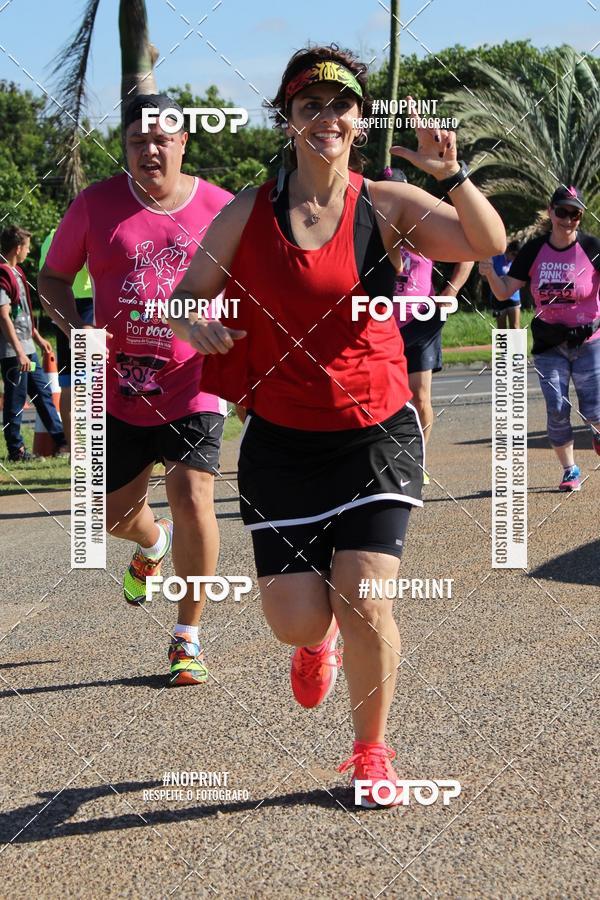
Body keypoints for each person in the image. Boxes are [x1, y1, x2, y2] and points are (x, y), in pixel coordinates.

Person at [167, 47, 505, 806]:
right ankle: (313, 643)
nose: (327, 117)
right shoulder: (248, 210)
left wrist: (451, 175)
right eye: (309, 105)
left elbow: (488, 243)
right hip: (282, 443)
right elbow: (186, 296)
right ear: (288, 120)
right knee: (296, 621)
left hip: (376, 433)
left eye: (341, 104)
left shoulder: (385, 204)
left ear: (359, 119)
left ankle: (371, 752)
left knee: (363, 596)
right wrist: (197, 326)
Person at [38, 93, 233, 685]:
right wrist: (78, 333)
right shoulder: (96, 205)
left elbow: (253, 287)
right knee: (111, 516)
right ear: (124, 147)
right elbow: (52, 277)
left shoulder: (222, 208)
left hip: (193, 381)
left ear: (183, 143)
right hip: (117, 389)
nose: (150, 150)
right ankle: (152, 545)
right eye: (137, 141)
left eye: (161, 139)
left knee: (193, 496)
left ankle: (187, 637)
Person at [480, 185, 600, 492]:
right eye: (562, 212)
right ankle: (570, 470)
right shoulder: (534, 250)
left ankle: (597, 432)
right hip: (549, 345)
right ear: (550, 211)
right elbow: (505, 292)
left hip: (589, 342)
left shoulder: (592, 247)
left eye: (575, 214)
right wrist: (491, 274)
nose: (568, 219)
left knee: (595, 411)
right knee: (557, 408)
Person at [377, 168, 473, 480]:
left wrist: (450, 292)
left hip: (421, 323)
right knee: (381, 399)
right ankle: (384, 461)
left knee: (419, 397)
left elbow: (469, 250)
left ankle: (416, 461)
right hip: (378, 325)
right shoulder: (368, 230)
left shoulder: (424, 229)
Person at [0, 225, 66, 461]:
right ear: (17, 248)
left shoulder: (17, 272)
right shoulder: (2, 275)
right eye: (27, 247)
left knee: (43, 393)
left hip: (29, 350)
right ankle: (16, 450)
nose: (28, 251)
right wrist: (19, 353)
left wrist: (37, 338)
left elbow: (24, 313)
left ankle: (62, 441)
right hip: (14, 353)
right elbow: (4, 316)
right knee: (15, 400)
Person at [39, 224, 94, 451]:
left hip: (61, 308)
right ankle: (89, 448)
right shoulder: (86, 231)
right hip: (87, 308)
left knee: (69, 384)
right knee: (90, 385)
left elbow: (45, 276)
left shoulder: (50, 237)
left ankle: (74, 449)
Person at [482, 239, 522, 328]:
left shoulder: (518, 262)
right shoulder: (495, 258)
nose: (515, 258)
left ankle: (516, 339)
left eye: (518, 256)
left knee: (515, 326)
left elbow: (523, 281)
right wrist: (498, 279)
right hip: (497, 298)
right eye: (514, 254)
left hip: (514, 297)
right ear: (508, 251)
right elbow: (484, 278)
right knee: (501, 328)